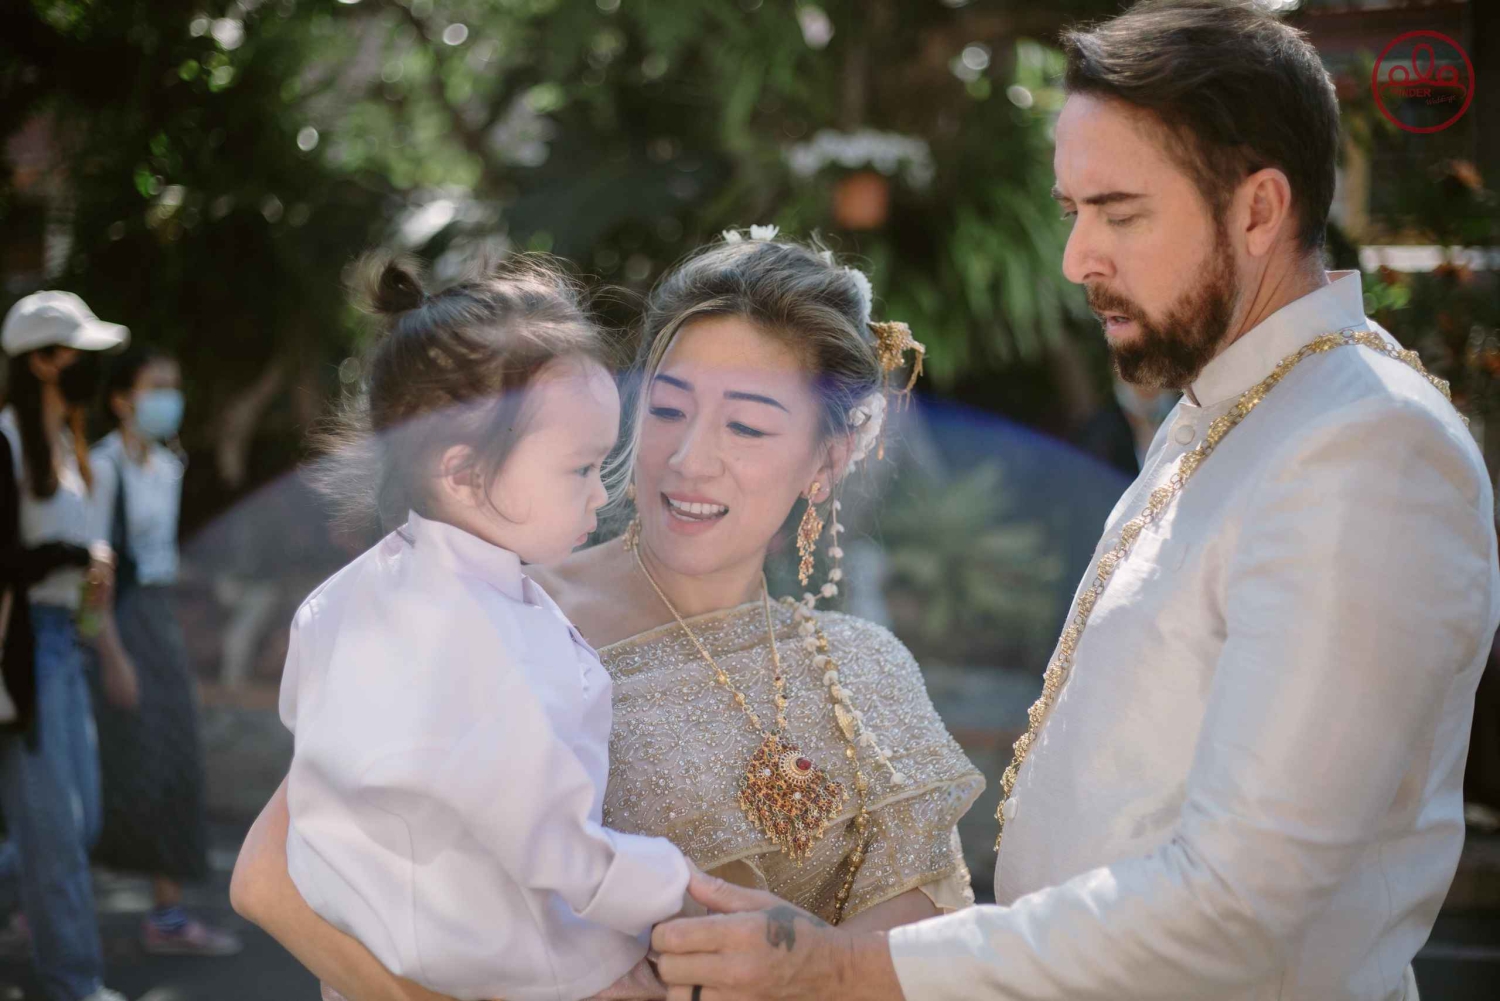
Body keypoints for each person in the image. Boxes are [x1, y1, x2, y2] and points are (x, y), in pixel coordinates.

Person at [646, 2, 1500, 999]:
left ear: (1259, 210)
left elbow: (1240, 905)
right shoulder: (1239, 407)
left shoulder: (1365, 446)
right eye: (1073, 212)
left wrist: (848, 969)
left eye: (1120, 213)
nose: (1076, 259)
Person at [230, 232, 985, 1001]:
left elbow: (921, 937)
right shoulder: (488, 613)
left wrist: (804, 965)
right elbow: (270, 876)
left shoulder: (865, 672)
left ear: (827, 460)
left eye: (747, 426)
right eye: (668, 408)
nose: (689, 458)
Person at [282, 253, 703, 1001]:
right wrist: (675, 886)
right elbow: (553, 844)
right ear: (463, 473)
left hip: (372, 956)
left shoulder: (358, 593)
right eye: (580, 469)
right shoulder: (476, 642)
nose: (599, 496)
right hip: (498, 961)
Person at [0, 290, 137, 1001]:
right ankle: (74, 984)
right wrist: (73, 554)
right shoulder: (6, 440)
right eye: (79, 353)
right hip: (25, 651)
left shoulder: (69, 447)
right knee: (55, 834)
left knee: (74, 824)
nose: (91, 366)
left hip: (67, 647)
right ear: (43, 362)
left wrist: (92, 578)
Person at [87, 345, 241, 957]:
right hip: (114, 625)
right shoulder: (101, 468)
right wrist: (112, 654)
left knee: (174, 758)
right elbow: (94, 574)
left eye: (173, 386)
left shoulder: (167, 467)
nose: (168, 398)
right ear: (121, 399)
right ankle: (36, 909)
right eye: (155, 387)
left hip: (156, 619)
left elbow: (160, 561)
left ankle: (167, 915)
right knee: (102, 767)